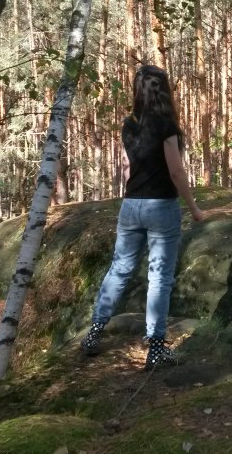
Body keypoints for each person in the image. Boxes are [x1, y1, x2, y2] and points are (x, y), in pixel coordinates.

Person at [80, 65, 204, 369]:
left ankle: (94, 333)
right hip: (161, 206)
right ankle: (156, 348)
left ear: (137, 90)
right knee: (159, 277)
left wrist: (132, 195)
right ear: (164, 91)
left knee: (119, 269)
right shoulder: (166, 124)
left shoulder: (130, 123)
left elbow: (127, 167)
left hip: (131, 205)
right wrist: (193, 208)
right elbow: (175, 171)